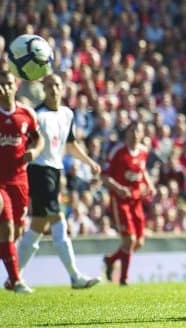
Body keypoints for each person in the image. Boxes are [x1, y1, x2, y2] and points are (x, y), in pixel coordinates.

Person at [17, 74, 102, 289]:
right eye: (48, 85)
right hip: (39, 170)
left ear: (62, 88)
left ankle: (13, 276)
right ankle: (74, 276)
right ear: (43, 89)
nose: (53, 89)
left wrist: (89, 161)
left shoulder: (67, 114)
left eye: (56, 85)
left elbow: (70, 145)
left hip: (55, 171)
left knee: (38, 225)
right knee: (58, 220)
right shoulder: (38, 115)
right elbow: (27, 145)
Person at [0, 69, 44, 293]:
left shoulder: (26, 113)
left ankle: (11, 279)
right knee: (6, 226)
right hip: (0, 183)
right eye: (2, 84)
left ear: (15, 85)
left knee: (15, 232)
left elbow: (39, 139)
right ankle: (17, 281)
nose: (5, 88)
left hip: (19, 180)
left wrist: (35, 152)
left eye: (9, 84)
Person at [102, 121, 155, 286]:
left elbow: (142, 170)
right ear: (127, 134)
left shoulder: (144, 151)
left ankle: (111, 260)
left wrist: (150, 184)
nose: (134, 135)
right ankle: (124, 279)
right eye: (131, 131)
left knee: (139, 242)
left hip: (136, 200)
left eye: (137, 131)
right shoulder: (117, 152)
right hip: (120, 202)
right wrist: (118, 189)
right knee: (130, 240)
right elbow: (104, 176)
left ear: (142, 134)